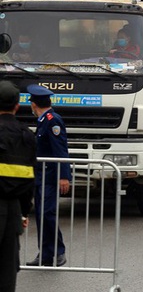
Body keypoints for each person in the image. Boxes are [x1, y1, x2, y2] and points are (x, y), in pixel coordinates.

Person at [26, 84, 70, 267]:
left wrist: (64, 176)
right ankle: (44, 254)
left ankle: (58, 252)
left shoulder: (52, 120)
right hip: (41, 176)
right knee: (41, 215)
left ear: (34, 104)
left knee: (47, 213)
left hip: (51, 176)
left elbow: (60, 150)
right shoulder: (43, 120)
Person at [0, 81, 36, 292]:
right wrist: (23, 212)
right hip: (12, 210)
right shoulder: (26, 135)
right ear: (16, 106)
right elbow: (28, 179)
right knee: (6, 270)